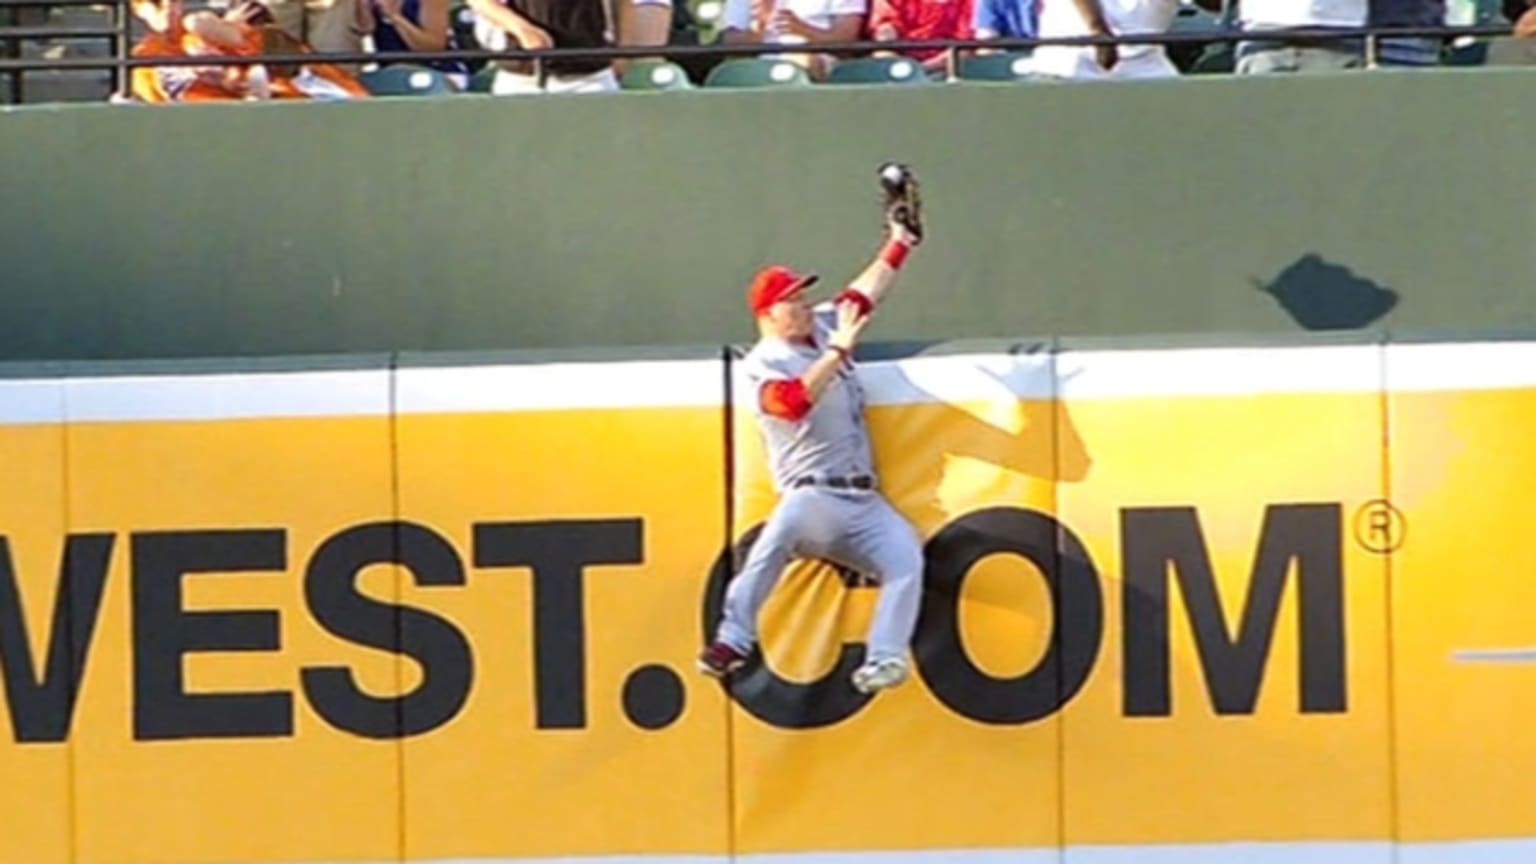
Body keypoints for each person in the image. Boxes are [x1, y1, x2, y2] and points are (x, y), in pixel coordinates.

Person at [698, 183, 925, 696]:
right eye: (791, 300)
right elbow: (792, 403)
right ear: (768, 315)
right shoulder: (764, 363)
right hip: (812, 493)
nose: (802, 305)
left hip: (863, 496)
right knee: (773, 541)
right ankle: (732, 638)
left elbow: (862, 295)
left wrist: (899, 242)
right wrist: (838, 354)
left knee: (906, 556)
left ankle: (885, 658)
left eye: (801, 296)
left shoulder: (823, 328)